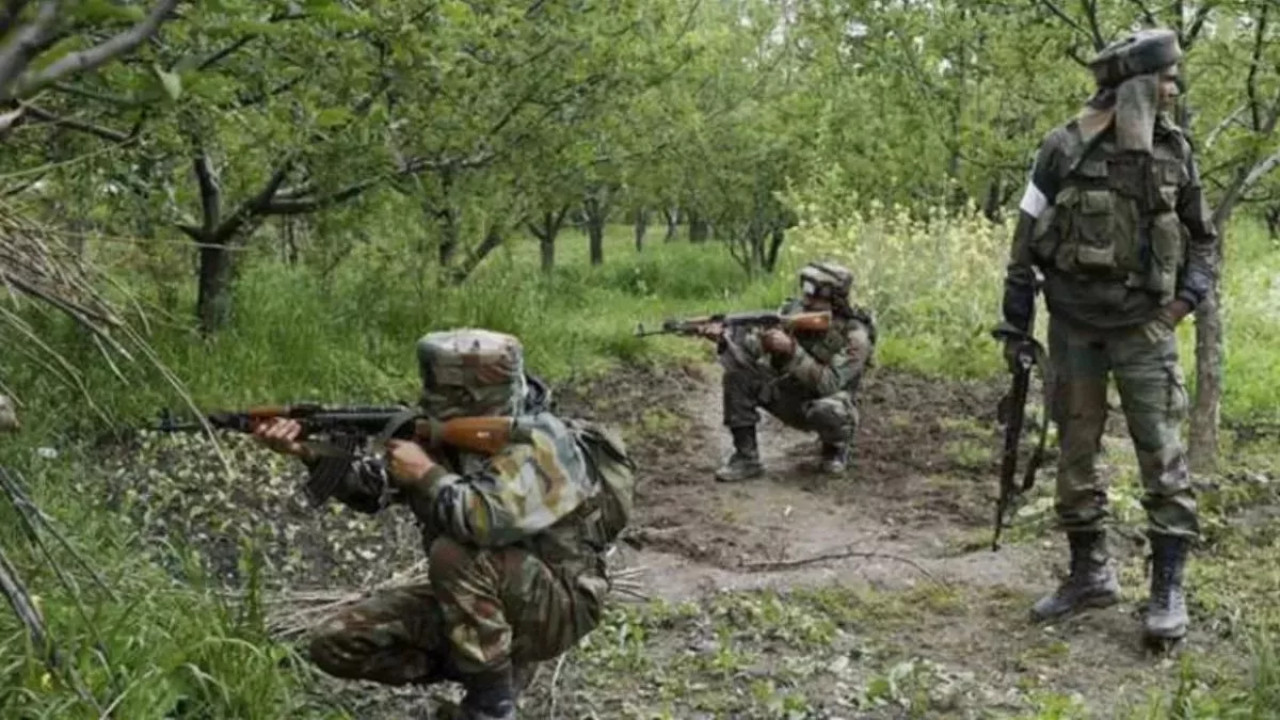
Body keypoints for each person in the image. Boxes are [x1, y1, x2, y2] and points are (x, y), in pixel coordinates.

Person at [253, 329, 635, 719]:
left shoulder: (545, 444)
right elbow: (372, 490)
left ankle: (492, 705)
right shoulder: (444, 433)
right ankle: (489, 666)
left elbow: (482, 521)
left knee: (454, 553)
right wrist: (309, 453)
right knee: (335, 641)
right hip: (489, 600)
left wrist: (426, 473)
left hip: (558, 608)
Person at [998, 28, 1217, 644]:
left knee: (1163, 458)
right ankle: (1088, 574)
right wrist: (1016, 325)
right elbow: (1023, 242)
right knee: (1075, 455)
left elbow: (1203, 240)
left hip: (1145, 330)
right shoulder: (1061, 148)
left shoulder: (1176, 152)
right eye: (1166, 80)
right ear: (1137, 86)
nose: (1174, 91)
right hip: (1073, 331)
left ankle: (1166, 591)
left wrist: (1179, 306)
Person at [703, 261, 875, 481]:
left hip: (826, 404)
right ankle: (746, 458)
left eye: (814, 295)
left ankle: (834, 450)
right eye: (805, 292)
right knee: (738, 376)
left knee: (830, 410)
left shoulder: (855, 336)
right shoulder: (793, 314)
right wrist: (725, 339)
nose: (806, 300)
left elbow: (830, 383)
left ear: (834, 299)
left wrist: (792, 350)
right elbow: (752, 352)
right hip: (788, 396)